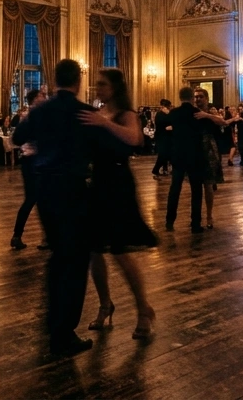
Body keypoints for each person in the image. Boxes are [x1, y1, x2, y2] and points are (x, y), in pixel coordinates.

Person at [12, 59, 132, 357]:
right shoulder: (85, 113)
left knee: (57, 256)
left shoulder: (41, 110)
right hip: (75, 190)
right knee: (76, 262)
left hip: (45, 189)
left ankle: (53, 325)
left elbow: (17, 138)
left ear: (55, 79)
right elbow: (112, 148)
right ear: (78, 81)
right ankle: (64, 334)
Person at [80, 69, 158, 340]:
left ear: (115, 87)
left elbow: (135, 139)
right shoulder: (97, 113)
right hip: (97, 182)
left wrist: (103, 124)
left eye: (102, 84)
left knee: (122, 251)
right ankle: (105, 305)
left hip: (118, 183)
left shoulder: (126, 114)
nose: (97, 88)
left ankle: (143, 309)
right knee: (94, 251)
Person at [163, 86, 208, 232]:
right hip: (195, 155)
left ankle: (170, 221)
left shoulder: (174, 113)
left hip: (178, 154)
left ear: (180, 97)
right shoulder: (197, 113)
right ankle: (195, 224)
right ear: (191, 97)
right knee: (196, 190)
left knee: (175, 188)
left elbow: (169, 128)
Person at [11, 89, 48, 251]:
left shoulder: (32, 116)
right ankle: (45, 238)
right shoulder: (33, 116)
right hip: (35, 161)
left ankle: (18, 236)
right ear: (35, 99)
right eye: (42, 96)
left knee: (33, 200)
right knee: (37, 200)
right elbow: (18, 138)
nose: (45, 98)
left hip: (31, 161)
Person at [194, 89, 226, 229]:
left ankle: (209, 216)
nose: (198, 99)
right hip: (195, 150)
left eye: (201, 97)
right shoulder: (191, 111)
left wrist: (206, 115)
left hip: (208, 150)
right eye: (196, 97)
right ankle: (196, 218)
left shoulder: (210, 113)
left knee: (208, 185)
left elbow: (222, 122)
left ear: (206, 98)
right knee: (195, 187)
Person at [151, 99, 172, 180]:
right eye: (169, 106)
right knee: (163, 154)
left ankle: (164, 169)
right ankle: (155, 170)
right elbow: (162, 124)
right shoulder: (160, 114)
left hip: (166, 136)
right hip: (161, 136)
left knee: (165, 153)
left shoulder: (165, 114)